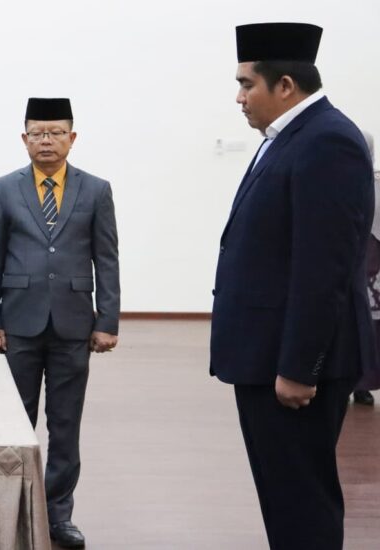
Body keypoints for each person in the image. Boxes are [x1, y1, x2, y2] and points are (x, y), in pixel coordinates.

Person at [210, 23, 375, 549]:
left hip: (292, 365)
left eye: (246, 84)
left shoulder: (327, 141)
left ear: (285, 85)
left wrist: (300, 367)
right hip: (265, 356)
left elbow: (323, 268)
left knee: (302, 503)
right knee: (284, 500)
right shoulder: (289, 138)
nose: (239, 98)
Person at [0, 97, 120, 549]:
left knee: (65, 423)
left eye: (56, 132)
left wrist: (107, 319)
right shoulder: (3, 189)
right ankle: (12, 510)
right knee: (16, 421)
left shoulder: (96, 190)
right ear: (24, 139)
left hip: (74, 324)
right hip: (19, 321)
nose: (47, 140)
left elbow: (107, 258)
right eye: (38, 133)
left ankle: (59, 515)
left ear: (72, 138)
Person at [354, 130, 380, 405]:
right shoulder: (338, 177)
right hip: (349, 258)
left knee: (372, 325)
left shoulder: (376, 181)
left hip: (374, 260)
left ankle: (364, 383)